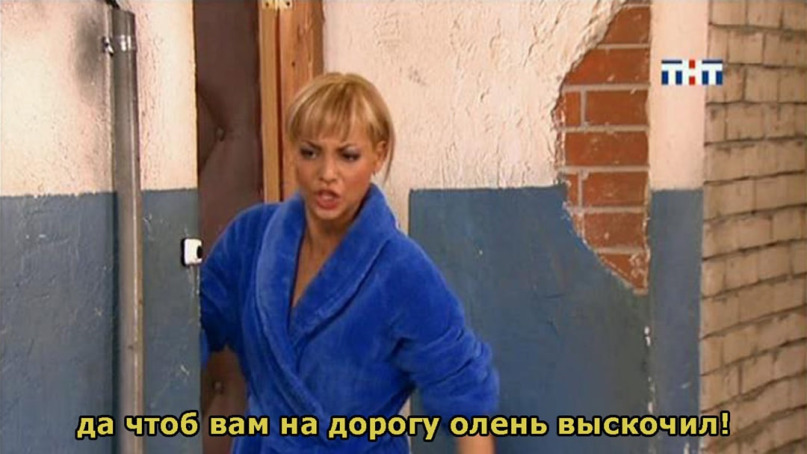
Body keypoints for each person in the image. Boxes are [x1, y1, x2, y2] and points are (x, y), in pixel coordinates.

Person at [201, 72, 499, 453]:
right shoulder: (251, 238)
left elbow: (466, 397)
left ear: (378, 155)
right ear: (291, 150)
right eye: (310, 153)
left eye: (348, 156)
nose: (327, 174)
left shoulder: (402, 271)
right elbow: (192, 325)